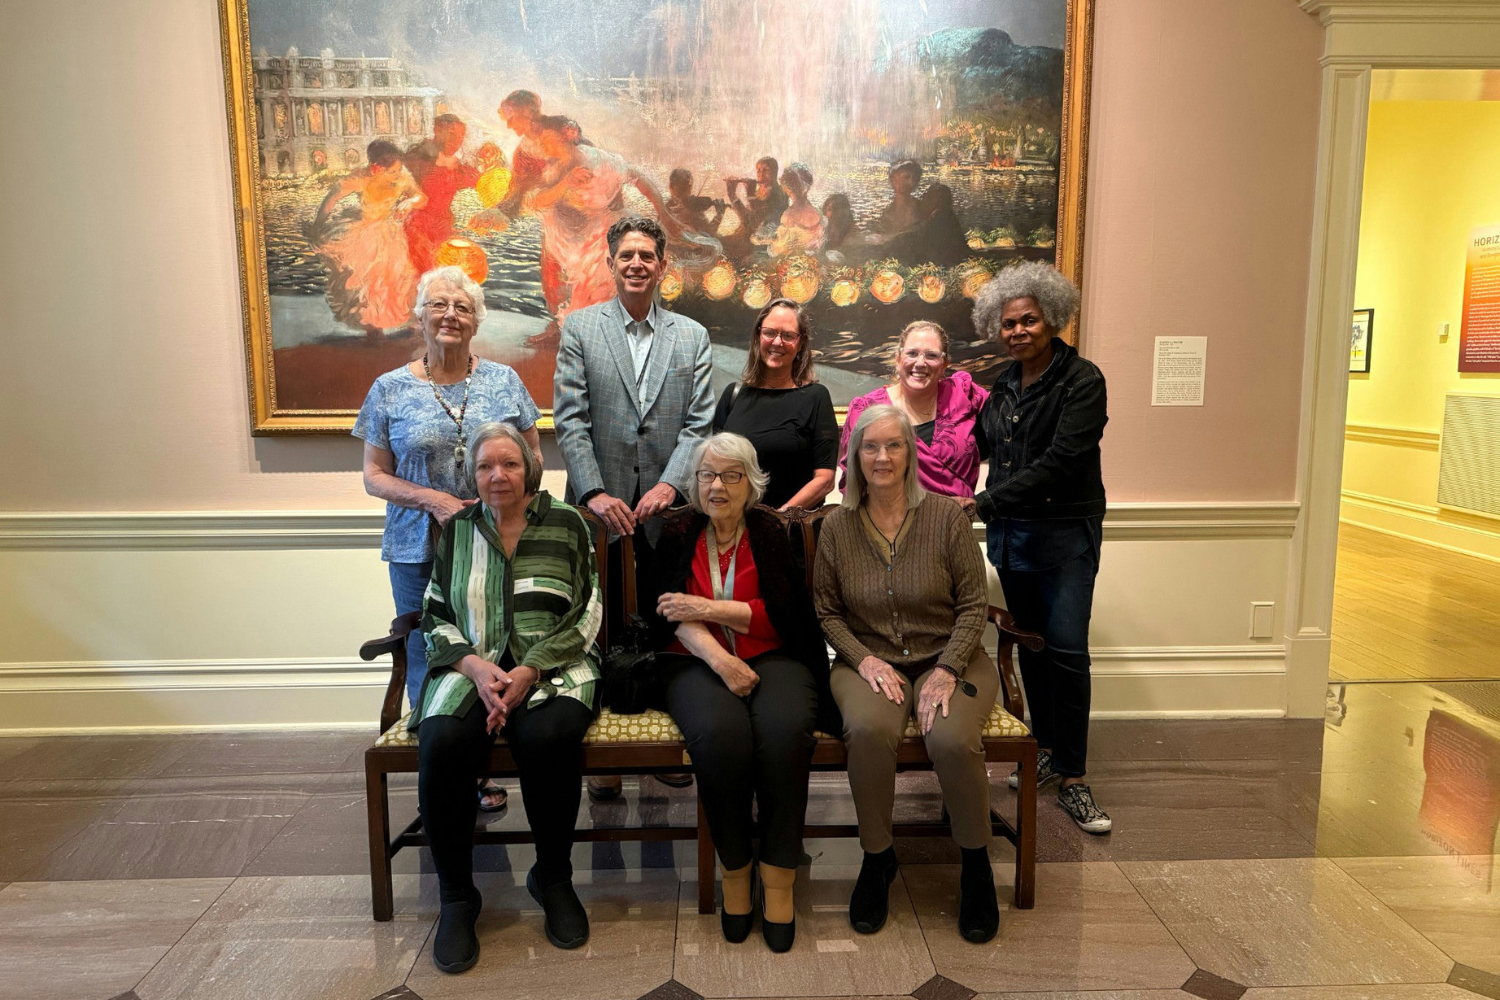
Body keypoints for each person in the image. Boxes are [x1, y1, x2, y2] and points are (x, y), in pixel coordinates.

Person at [412, 421, 602, 972]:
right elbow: (434, 611)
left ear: (529, 468)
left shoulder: (567, 523)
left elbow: (588, 609)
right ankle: (456, 896)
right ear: (472, 475)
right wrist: (474, 667)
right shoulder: (459, 529)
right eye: (485, 466)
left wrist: (531, 669)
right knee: (443, 740)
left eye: (509, 464)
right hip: (471, 666)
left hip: (555, 663)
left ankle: (554, 878)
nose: (498, 475)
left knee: (548, 735)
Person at [353, 265, 542, 813]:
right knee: (427, 650)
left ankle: (481, 767)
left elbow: (532, 459)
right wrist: (434, 500)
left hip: (495, 537)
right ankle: (440, 773)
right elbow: (374, 475)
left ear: (476, 320)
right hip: (418, 545)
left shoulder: (504, 381)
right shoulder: (389, 388)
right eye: (439, 305)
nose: (450, 315)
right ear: (420, 316)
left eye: (462, 307)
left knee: (488, 644)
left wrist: (499, 505)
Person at [814, 405, 1001, 944]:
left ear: (910, 453)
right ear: (855, 457)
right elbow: (827, 612)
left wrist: (946, 668)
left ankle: (975, 865)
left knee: (951, 735)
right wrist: (864, 659)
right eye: (870, 447)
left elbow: (973, 605)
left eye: (894, 445)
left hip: (952, 655)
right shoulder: (838, 526)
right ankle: (877, 859)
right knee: (869, 731)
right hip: (867, 660)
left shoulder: (946, 517)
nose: (882, 456)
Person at [639, 433, 831, 952]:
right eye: (707, 475)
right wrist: (720, 658)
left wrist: (705, 608)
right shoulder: (676, 529)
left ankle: (780, 878)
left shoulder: (772, 531)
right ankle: (736, 873)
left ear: (752, 483)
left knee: (785, 732)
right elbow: (664, 613)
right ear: (694, 482)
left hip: (776, 655)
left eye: (731, 475)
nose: (717, 486)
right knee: (720, 735)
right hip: (694, 659)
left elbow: (785, 618)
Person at [554, 214, 714, 798]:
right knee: (601, 625)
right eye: (627, 255)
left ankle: (663, 742)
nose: (637, 263)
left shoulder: (691, 336)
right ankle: (608, 755)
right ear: (611, 263)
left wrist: (671, 486)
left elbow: (698, 424)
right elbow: (569, 420)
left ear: (663, 264)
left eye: (648, 254)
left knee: (667, 621)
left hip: (668, 512)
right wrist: (595, 492)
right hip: (600, 511)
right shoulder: (580, 329)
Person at [970, 260, 1111, 835]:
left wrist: (982, 503)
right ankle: (1048, 751)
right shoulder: (1002, 386)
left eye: (1029, 320)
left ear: (1052, 318)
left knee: (1069, 652)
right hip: (1013, 538)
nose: (1019, 331)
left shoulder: (1083, 381)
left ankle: (1075, 778)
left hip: (1064, 536)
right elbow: (976, 443)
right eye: (1008, 324)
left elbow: (1060, 464)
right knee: (1030, 645)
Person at [528, 116, 679, 321]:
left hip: (599, 235)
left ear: (565, 136)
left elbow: (638, 178)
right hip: (567, 236)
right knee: (572, 287)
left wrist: (664, 214)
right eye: (541, 140)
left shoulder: (597, 160)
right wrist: (566, 183)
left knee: (608, 279)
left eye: (547, 139)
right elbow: (537, 201)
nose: (543, 144)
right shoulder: (553, 169)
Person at [839, 321, 987, 512]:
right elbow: (852, 479)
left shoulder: (963, 394)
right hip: (889, 527)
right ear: (898, 358)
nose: (920, 363)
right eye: (912, 353)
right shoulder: (866, 409)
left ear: (944, 364)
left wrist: (990, 499)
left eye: (931, 355)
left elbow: (1010, 429)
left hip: (954, 525)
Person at [712, 298, 837, 510]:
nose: (777, 342)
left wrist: (778, 520)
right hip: (734, 528)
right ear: (758, 336)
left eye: (788, 335)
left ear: (800, 344)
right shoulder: (733, 395)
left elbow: (825, 480)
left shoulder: (816, 397)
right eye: (770, 333)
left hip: (791, 530)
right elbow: (714, 468)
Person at [312, 139, 426, 335]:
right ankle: (373, 329)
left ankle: (397, 321)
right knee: (371, 283)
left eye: (399, 169)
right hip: (367, 234)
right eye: (392, 171)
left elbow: (421, 197)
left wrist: (410, 202)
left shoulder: (401, 176)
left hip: (391, 233)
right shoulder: (362, 178)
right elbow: (331, 199)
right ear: (376, 168)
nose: (397, 175)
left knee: (399, 278)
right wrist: (318, 225)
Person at [404, 114, 481, 273]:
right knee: (423, 272)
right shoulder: (416, 158)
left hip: (444, 226)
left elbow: (479, 182)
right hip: (418, 228)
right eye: (452, 134)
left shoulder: (459, 166)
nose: (457, 141)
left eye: (461, 137)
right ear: (437, 130)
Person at [723, 156, 788, 258]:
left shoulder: (778, 194)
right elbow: (746, 216)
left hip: (762, 241)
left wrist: (750, 194)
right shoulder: (760, 192)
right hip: (750, 234)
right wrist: (733, 196)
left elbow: (753, 221)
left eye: (765, 170)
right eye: (758, 170)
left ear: (775, 172)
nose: (761, 174)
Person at [767, 163, 824, 256]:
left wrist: (770, 242)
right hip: (814, 260)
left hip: (795, 262)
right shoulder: (817, 213)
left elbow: (781, 249)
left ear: (787, 190)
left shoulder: (789, 215)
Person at [870, 159, 924, 243]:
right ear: (893, 179)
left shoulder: (922, 208)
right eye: (906, 177)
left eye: (914, 178)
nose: (911, 182)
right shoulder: (886, 212)